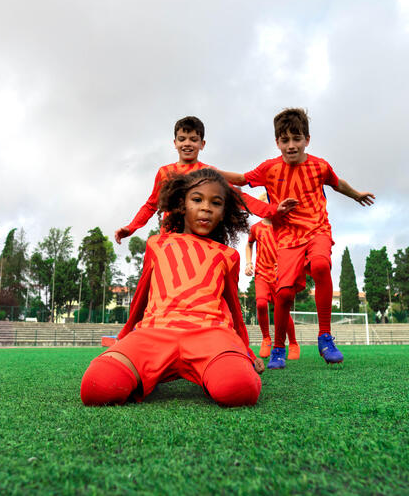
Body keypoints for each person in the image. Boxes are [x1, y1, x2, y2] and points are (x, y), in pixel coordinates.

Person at [81, 168, 267, 407]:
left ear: (224, 213)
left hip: (210, 335)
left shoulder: (228, 255)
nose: (206, 207)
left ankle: (212, 369)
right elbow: (140, 299)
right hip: (154, 333)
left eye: (216, 202)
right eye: (197, 199)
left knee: (239, 389)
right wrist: (124, 337)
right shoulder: (156, 244)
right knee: (96, 387)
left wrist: (247, 352)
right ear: (181, 205)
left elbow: (234, 311)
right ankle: (149, 372)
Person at [220, 108, 375, 369]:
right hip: (288, 238)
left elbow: (338, 184)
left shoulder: (320, 166)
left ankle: (325, 337)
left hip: (317, 230)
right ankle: (278, 347)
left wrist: (357, 194)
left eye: (297, 139)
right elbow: (241, 179)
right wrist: (206, 170)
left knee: (321, 265)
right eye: (285, 140)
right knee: (283, 295)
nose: (291, 146)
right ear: (277, 142)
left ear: (307, 139)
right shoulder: (269, 169)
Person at [114, 116, 282, 245]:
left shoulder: (209, 173)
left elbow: (237, 197)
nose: (187, 144)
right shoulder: (165, 172)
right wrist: (131, 228)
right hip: (171, 239)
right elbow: (151, 205)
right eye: (182, 139)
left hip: (202, 239)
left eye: (193, 140)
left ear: (202, 144)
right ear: (175, 143)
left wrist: (272, 211)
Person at [245, 215, 299, 359]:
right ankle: (266, 339)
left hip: (280, 275)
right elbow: (249, 244)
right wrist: (248, 263)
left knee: (282, 310)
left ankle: (293, 343)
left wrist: (285, 264)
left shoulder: (284, 226)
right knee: (261, 303)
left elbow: (293, 247)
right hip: (261, 273)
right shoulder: (256, 228)